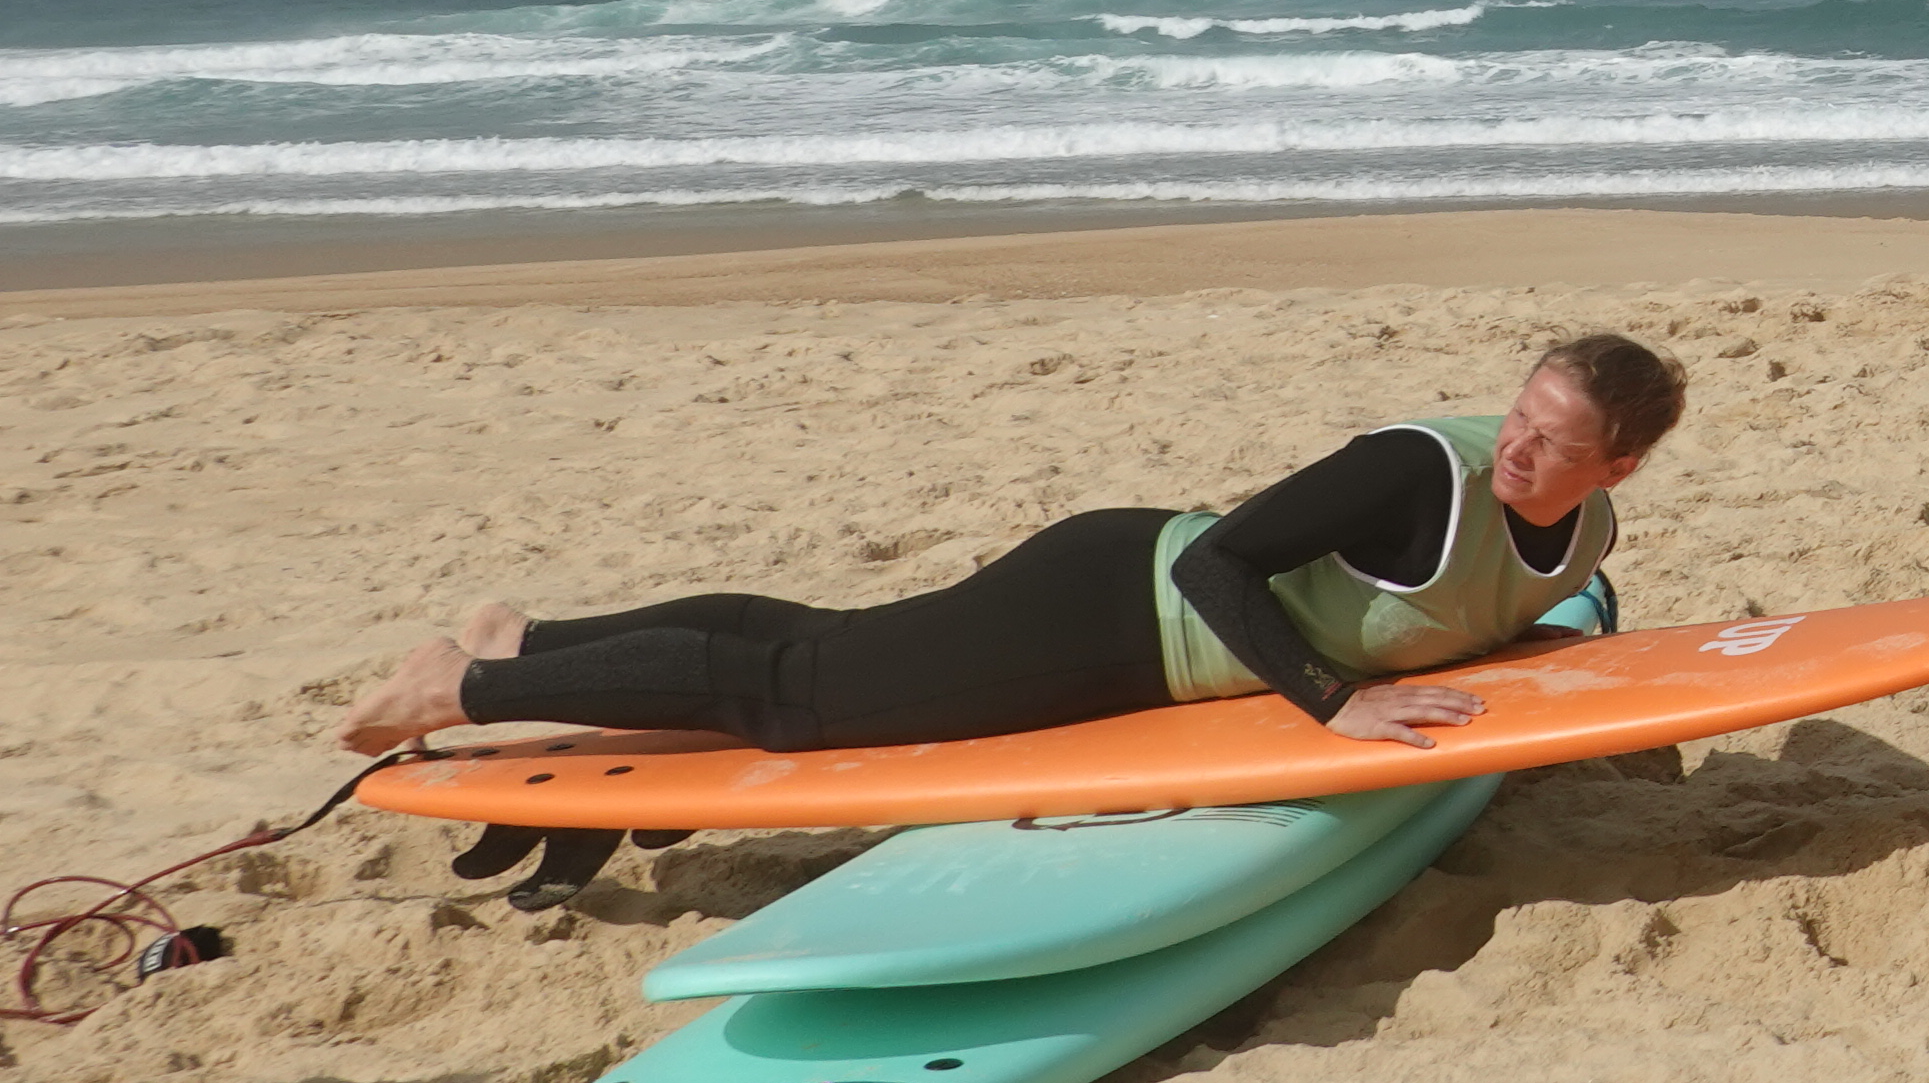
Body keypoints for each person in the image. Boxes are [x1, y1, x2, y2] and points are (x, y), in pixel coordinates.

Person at [331, 337, 1689, 757]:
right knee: (805, 703)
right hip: (1110, 611)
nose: (1518, 449)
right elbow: (1215, 563)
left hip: (1131, 634)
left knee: (828, 642)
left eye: (1552, 441)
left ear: (1614, 467)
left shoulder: (1591, 531)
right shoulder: (1416, 469)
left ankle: (529, 639)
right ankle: (464, 687)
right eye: (1518, 416)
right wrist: (1338, 703)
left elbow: (1502, 596)